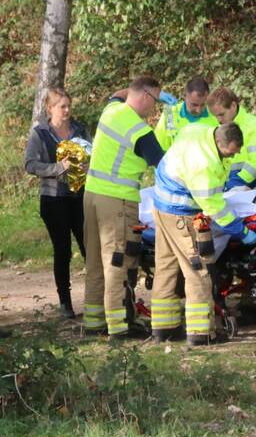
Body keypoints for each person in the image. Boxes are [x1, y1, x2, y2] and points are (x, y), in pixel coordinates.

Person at [150, 123, 252, 346]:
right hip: (180, 214)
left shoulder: (199, 130)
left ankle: (164, 328)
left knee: (166, 267)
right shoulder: (203, 163)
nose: (233, 155)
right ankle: (201, 332)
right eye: (230, 151)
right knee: (198, 271)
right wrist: (240, 230)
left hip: (161, 206)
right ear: (218, 142)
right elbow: (214, 206)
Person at [83, 76, 165, 339]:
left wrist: (152, 93)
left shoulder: (112, 110)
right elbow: (162, 163)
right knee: (117, 263)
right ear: (145, 97)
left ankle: (94, 322)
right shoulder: (139, 131)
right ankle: (119, 327)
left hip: (92, 196)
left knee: (95, 262)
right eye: (155, 101)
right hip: (116, 202)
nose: (154, 109)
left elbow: (118, 93)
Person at [24, 88, 91, 319]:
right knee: (62, 250)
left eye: (69, 106)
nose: (67, 110)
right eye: (62, 106)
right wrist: (56, 168)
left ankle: (96, 299)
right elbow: (30, 164)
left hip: (80, 197)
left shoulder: (80, 130)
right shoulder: (40, 133)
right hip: (53, 199)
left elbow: (93, 155)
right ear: (49, 108)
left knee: (89, 247)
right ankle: (65, 303)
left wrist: (88, 167)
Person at [207, 87, 256, 190]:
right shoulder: (215, 128)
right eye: (215, 116)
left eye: (221, 114)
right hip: (233, 185)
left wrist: (238, 180)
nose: (219, 120)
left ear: (233, 105)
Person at [154, 76, 218, 150]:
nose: (199, 110)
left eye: (203, 104)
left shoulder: (216, 116)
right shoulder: (169, 113)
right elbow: (158, 146)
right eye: (194, 105)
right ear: (185, 96)